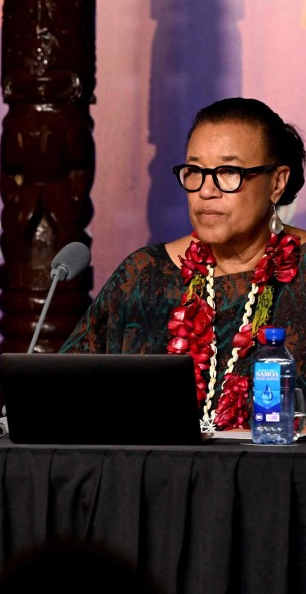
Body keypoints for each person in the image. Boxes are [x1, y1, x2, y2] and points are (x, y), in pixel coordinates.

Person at [62, 97, 306, 431]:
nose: (206, 191)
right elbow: (63, 394)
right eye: (195, 172)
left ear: (277, 183)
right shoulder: (144, 275)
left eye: (228, 172)